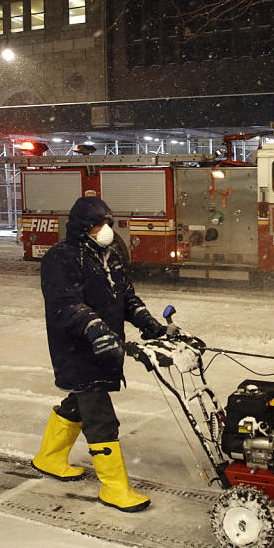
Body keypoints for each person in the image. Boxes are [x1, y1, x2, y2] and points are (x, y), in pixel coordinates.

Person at [32, 195, 167, 513]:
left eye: (107, 223)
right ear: (81, 227)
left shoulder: (109, 256)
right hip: (76, 349)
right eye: (97, 224)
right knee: (101, 418)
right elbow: (65, 304)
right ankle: (115, 488)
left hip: (107, 347)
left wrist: (145, 320)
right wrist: (93, 327)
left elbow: (125, 295)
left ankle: (49, 457)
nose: (104, 229)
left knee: (79, 404)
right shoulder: (60, 258)